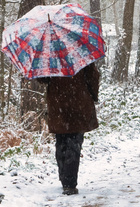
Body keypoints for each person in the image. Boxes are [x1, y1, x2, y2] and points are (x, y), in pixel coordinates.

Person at [39, 62, 100, 195]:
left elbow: (42, 79)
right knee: (74, 143)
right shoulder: (81, 53)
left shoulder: (50, 55)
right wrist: (93, 95)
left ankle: (64, 177)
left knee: (61, 141)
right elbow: (93, 76)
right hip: (79, 101)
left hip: (58, 103)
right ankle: (69, 183)